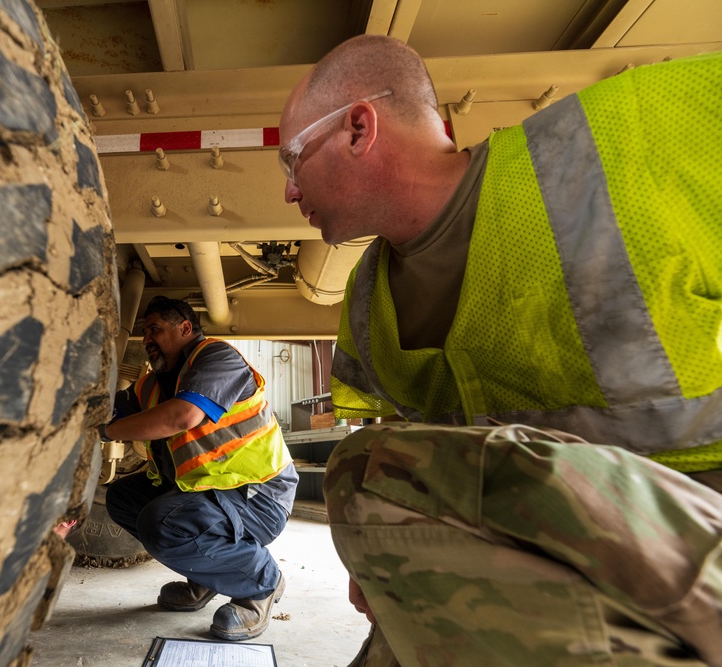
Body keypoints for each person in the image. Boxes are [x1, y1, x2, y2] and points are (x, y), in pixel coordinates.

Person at [279, 35, 722, 666]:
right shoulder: (365, 300)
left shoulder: (637, 131)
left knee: (362, 467)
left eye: (292, 160)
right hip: (559, 559)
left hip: (696, 546)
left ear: (358, 128)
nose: (290, 194)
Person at [102, 296, 299, 641]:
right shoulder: (152, 384)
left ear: (185, 328)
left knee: (161, 522)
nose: (147, 339)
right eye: (144, 332)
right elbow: (109, 409)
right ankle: (209, 577)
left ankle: (261, 583)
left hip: (258, 496)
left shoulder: (216, 358)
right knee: (122, 497)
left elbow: (182, 416)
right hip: (209, 493)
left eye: (155, 329)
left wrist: (105, 431)